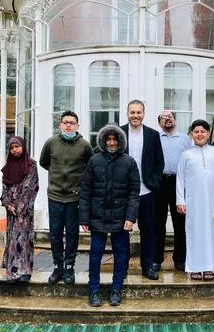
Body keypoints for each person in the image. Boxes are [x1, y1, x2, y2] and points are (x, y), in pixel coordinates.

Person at [80, 124, 140, 307]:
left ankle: (116, 289)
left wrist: (130, 217)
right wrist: (84, 218)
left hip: (120, 217)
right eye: (108, 139)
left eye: (115, 139)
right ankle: (94, 290)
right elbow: (85, 190)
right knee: (95, 255)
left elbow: (134, 192)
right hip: (97, 216)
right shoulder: (94, 161)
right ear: (103, 141)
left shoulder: (129, 162)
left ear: (120, 141)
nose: (112, 143)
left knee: (121, 255)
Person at [40, 111, 94, 285]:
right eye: (65, 122)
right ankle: (58, 267)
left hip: (73, 198)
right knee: (55, 234)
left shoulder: (84, 145)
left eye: (72, 122)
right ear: (60, 125)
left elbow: (90, 166)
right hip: (55, 196)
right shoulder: (51, 143)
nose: (68, 125)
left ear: (77, 126)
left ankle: (69, 267)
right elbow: (44, 162)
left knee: (72, 234)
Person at [176, 119, 214, 281]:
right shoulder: (186, 154)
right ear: (191, 134)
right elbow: (180, 178)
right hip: (194, 202)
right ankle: (195, 267)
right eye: (196, 132)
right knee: (195, 233)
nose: (199, 134)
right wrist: (180, 200)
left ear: (208, 134)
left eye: (203, 131)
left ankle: (211, 266)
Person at [121, 100, 164, 280]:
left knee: (149, 230)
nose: (135, 116)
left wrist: (154, 182)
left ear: (144, 114)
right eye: (132, 112)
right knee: (122, 232)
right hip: (124, 193)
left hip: (146, 191)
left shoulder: (153, 135)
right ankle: (122, 267)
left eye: (139, 112)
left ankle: (148, 266)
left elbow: (159, 162)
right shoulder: (119, 133)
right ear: (127, 113)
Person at [153, 110, 192, 273]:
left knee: (180, 223)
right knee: (158, 223)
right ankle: (156, 260)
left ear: (175, 120)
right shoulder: (155, 138)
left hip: (179, 182)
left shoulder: (185, 139)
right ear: (159, 122)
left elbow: (190, 159)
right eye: (164, 117)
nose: (167, 119)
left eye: (170, 117)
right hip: (160, 182)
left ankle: (180, 260)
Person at [0, 136, 39, 282]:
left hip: (24, 209)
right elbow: (4, 187)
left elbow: (30, 187)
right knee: (12, 237)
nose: (14, 150)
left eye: (17, 146)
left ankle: (25, 270)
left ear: (23, 147)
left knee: (23, 238)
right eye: (12, 148)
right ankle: (12, 271)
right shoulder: (8, 166)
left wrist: (20, 207)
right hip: (11, 208)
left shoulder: (31, 165)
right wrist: (7, 204)